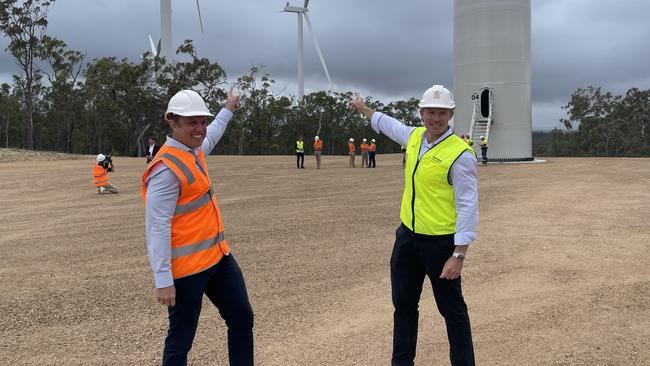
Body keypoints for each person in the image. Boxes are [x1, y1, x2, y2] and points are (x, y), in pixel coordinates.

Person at [349, 84, 478, 366]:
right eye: (431, 112)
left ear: (451, 115)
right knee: (404, 307)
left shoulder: (461, 154)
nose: (435, 118)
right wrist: (363, 108)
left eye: (442, 113)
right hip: (407, 239)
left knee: (453, 311)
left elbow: (468, 206)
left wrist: (459, 254)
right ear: (421, 113)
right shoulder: (416, 137)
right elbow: (386, 124)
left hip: (440, 244)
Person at [141, 89, 254, 365]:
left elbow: (213, 133)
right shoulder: (166, 169)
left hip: (217, 258)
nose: (200, 128)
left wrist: (228, 108)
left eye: (202, 121)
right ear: (173, 122)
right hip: (187, 270)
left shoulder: (194, 151)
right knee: (180, 342)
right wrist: (163, 279)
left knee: (242, 318)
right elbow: (157, 226)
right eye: (192, 122)